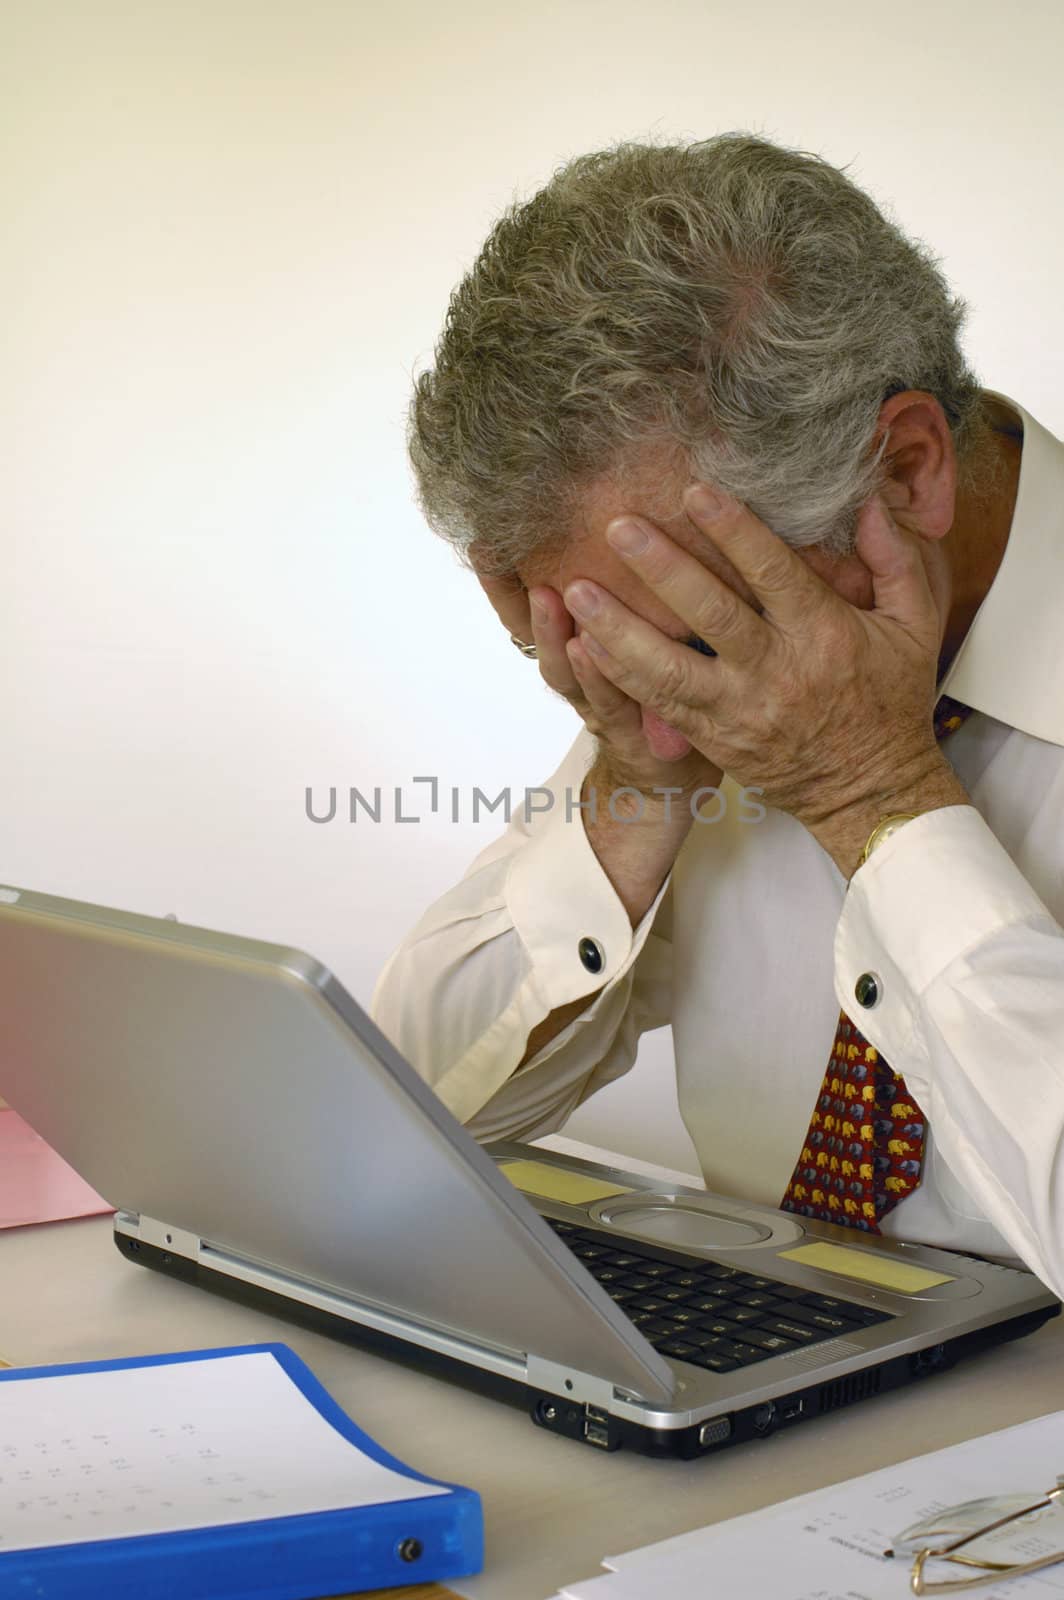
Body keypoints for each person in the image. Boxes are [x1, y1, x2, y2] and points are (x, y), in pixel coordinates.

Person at [372, 134, 1064, 1296]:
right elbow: (399, 1120)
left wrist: (873, 797)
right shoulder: (697, 656)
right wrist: (632, 784)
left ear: (901, 471)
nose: (649, 682)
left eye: (678, 636)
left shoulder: (780, 674)